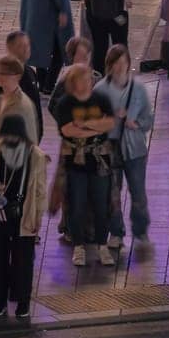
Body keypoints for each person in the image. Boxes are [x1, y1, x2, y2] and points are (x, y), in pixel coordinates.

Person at [0, 112, 47, 321]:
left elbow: (40, 191)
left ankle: (22, 302)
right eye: (4, 135)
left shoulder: (35, 155)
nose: (7, 140)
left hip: (22, 214)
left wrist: (38, 218)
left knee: (22, 260)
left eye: (11, 135)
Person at [52, 63, 116, 267]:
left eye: (88, 79)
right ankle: (79, 247)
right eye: (81, 80)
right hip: (76, 163)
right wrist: (96, 127)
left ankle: (102, 246)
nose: (85, 83)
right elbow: (68, 130)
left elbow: (110, 123)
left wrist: (85, 125)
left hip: (100, 161)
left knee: (101, 205)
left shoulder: (101, 99)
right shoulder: (65, 104)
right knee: (77, 205)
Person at [99, 45, 153, 246]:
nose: (121, 67)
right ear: (109, 65)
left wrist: (136, 124)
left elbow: (148, 118)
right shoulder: (100, 90)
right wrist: (113, 119)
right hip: (110, 149)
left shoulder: (138, 89)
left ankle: (140, 231)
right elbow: (95, 123)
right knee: (112, 193)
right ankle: (116, 232)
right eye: (116, 63)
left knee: (138, 192)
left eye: (124, 62)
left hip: (135, 149)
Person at [0, 53, 42, 146]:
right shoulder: (0, 99)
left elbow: (25, 143)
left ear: (17, 76)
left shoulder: (21, 104)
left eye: (5, 73)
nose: (0, 76)